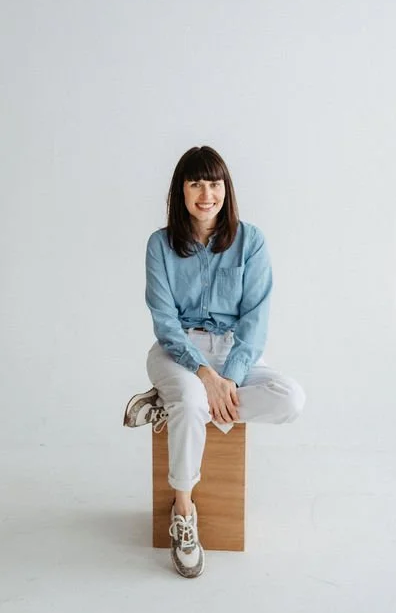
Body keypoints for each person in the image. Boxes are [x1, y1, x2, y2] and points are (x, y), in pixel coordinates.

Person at [123, 145, 306, 579]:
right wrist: (203, 374)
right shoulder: (159, 245)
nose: (207, 194)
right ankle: (183, 510)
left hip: (233, 352)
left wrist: (229, 378)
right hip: (178, 351)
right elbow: (164, 322)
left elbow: (255, 321)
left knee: (289, 400)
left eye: (214, 183)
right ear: (180, 191)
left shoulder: (252, 241)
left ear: (226, 189)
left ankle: (172, 402)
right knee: (189, 398)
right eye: (196, 183)